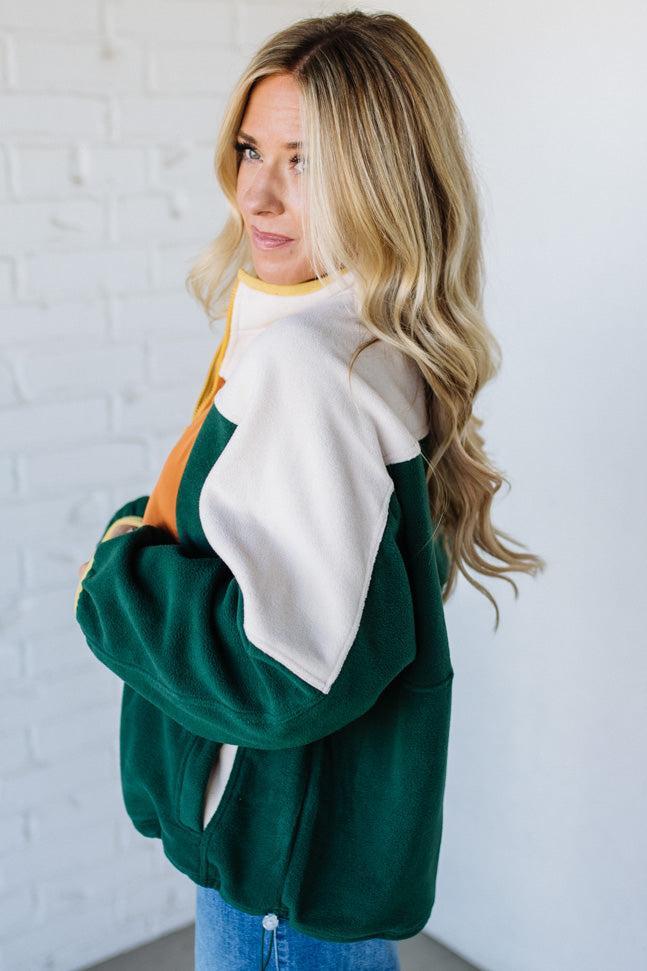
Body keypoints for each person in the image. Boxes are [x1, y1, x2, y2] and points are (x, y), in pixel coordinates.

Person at [74, 10, 545, 971]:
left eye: (305, 161)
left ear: (381, 177)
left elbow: (283, 677)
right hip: (312, 849)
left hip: (276, 863)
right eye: (252, 150)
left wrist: (115, 573)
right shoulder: (357, 331)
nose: (259, 191)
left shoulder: (307, 362)